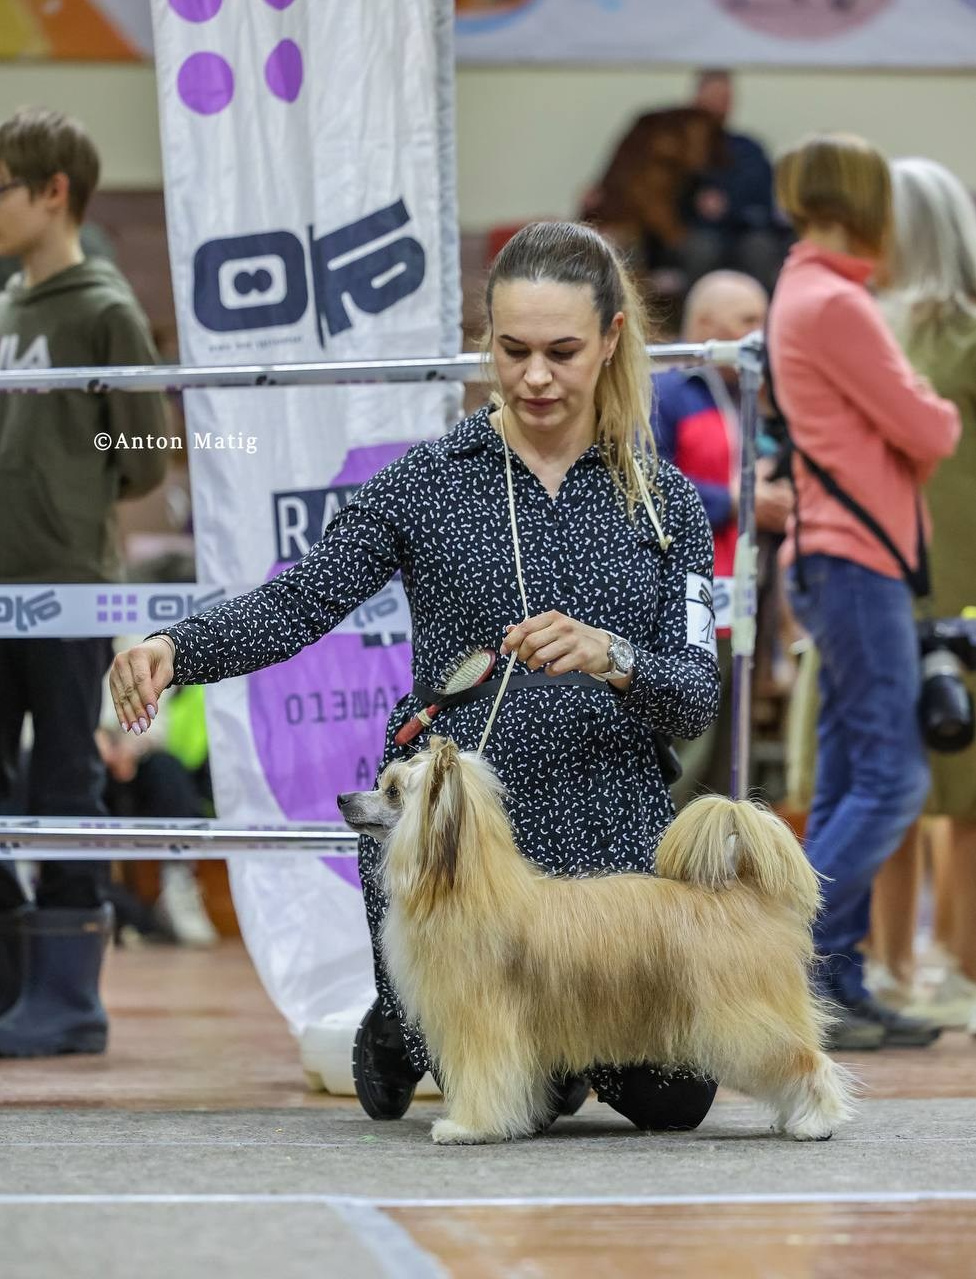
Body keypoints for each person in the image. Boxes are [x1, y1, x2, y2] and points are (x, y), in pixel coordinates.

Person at [109, 221, 722, 1129]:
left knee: (677, 1099)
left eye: (562, 351)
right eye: (512, 351)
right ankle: (398, 1025)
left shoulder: (668, 505)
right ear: (486, 341)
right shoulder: (427, 481)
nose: (536, 377)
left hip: (606, 855)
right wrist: (179, 648)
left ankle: (466, 1030)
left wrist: (615, 656)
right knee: (530, 1091)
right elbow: (300, 601)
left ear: (611, 340)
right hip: (452, 845)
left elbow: (698, 695)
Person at [768, 133, 961, 1050]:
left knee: (851, 771)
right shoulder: (836, 304)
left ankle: (833, 981)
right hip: (856, 559)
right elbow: (930, 425)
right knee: (895, 777)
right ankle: (786, 951)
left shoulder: (805, 291)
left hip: (843, 555)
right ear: (868, 201)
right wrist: (930, 408)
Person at [0, 108, 168, 1056]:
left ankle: (68, 997)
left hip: (67, 585)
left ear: (52, 191)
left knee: (66, 773)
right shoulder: (7, 306)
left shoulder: (102, 308)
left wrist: (71, 484)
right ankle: (11, 985)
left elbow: (145, 454)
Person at [864, 158, 976, 1031]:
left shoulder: (926, 335)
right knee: (931, 779)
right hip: (906, 570)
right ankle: (924, 964)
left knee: (913, 777)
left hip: (920, 573)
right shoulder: (870, 325)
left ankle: (911, 963)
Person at [653, 270, 793, 801]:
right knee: (691, 744)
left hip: (747, 593)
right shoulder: (669, 394)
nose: (762, 335)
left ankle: (712, 871)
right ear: (708, 325)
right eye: (749, 322)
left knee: (732, 752)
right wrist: (734, 500)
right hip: (691, 595)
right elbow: (648, 487)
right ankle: (659, 867)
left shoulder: (752, 396)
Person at [678, 70, 790, 293]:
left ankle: (761, 322)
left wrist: (728, 205)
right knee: (700, 249)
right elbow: (663, 198)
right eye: (713, 98)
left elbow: (763, 198)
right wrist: (695, 202)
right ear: (697, 100)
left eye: (725, 99)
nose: (719, 106)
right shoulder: (677, 150)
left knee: (761, 248)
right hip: (696, 232)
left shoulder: (749, 149)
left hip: (744, 231)